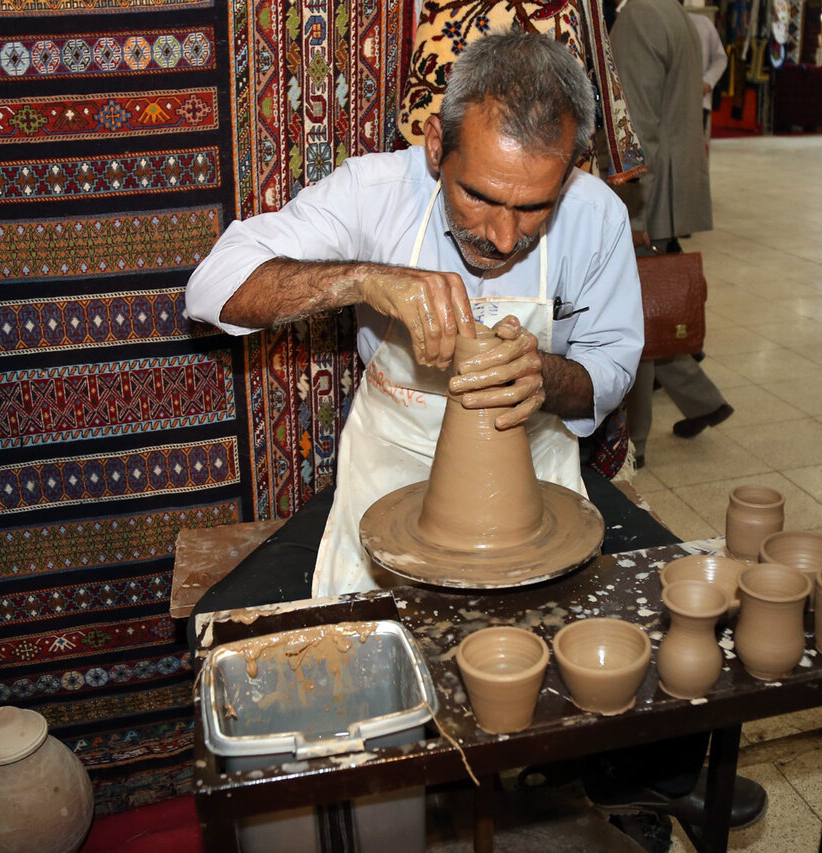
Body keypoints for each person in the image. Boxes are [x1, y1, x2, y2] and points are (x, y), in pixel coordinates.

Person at [185, 29, 765, 842]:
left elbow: (610, 366)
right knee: (235, 625)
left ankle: (635, 780)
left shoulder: (595, 215)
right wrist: (360, 277)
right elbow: (211, 286)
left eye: (534, 207)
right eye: (481, 198)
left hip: (535, 470)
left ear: (571, 171)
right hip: (390, 473)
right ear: (435, 147)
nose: (501, 236)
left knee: (671, 613)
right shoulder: (376, 192)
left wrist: (548, 379)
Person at [611, 0, 733, 468]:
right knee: (647, 310)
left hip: (649, 192)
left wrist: (634, 217)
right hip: (671, 181)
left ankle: (633, 442)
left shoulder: (640, 16)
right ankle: (701, 401)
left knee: (634, 318)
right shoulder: (673, 12)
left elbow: (636, 126)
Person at [687, 8, 729, 139]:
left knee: (693, 150)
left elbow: (720, 58)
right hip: (664, 104)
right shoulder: (658, 22)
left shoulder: (703, 23)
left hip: (697, 101)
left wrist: (708, 82)